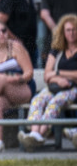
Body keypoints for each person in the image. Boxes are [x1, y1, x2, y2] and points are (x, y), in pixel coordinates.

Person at [19, 14, 77, 151]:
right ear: (63, 32)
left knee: (55, 101)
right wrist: (59, 79)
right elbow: (47, 75)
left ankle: (41, 133)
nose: (71, 33)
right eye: (68, 30)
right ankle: (34, 132)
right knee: (38, 100)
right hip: (56, 86)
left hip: (72, 88)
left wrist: (58, 74)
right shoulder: (57, 50)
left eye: (74, 29)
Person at [0, 20, 33, 153]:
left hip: (22, 87)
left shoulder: (15, 47)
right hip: (1, 92)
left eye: (4, 30)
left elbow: (29, 73)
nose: (2, 34)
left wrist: (12, 79)